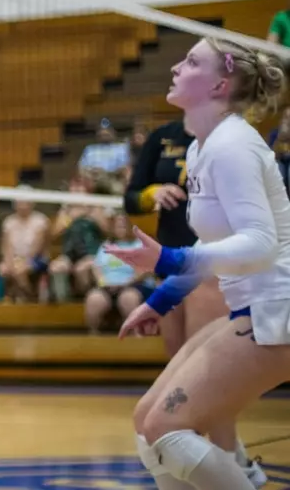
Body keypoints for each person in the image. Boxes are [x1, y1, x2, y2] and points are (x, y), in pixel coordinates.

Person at [107, 37, 288, 489]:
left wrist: (168, 257)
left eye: (190, 62)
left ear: (219, 85)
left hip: (278, 309)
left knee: (167, 428)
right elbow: (211, 245)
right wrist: (158, 302)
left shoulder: (233, 146)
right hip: (253, 308)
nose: (175, 67)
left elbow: (260, 241)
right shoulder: (200, 149)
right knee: (147, 423)